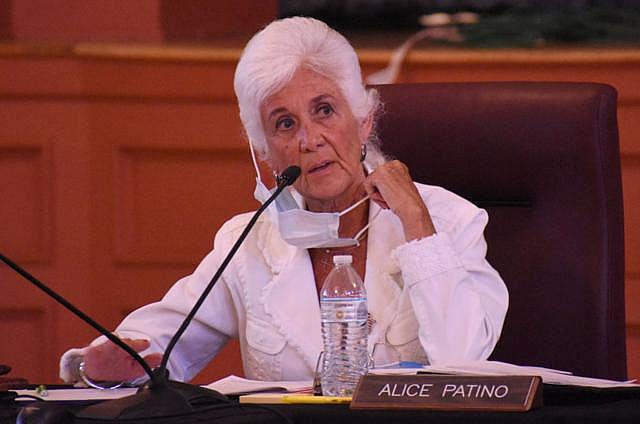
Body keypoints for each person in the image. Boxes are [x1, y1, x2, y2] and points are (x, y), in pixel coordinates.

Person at [59, 16, 508, 386]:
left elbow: (465, 362)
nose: (309, 140)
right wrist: (104, 363)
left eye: (325, 110)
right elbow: (157, 341)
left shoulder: (448, 219)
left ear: (364, 121)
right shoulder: (248, 243)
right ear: (264, 152)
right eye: (285, 124)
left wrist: (415, 223)